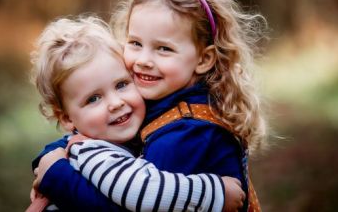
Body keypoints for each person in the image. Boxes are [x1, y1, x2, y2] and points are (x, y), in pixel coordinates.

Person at [28, 15, 245, 211]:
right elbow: (144, 192)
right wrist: (215, 195)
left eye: (122, 84)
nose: (115, 103)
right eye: (93, 99)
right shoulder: (95, 155)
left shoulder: (120, 135)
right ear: (66, 118)